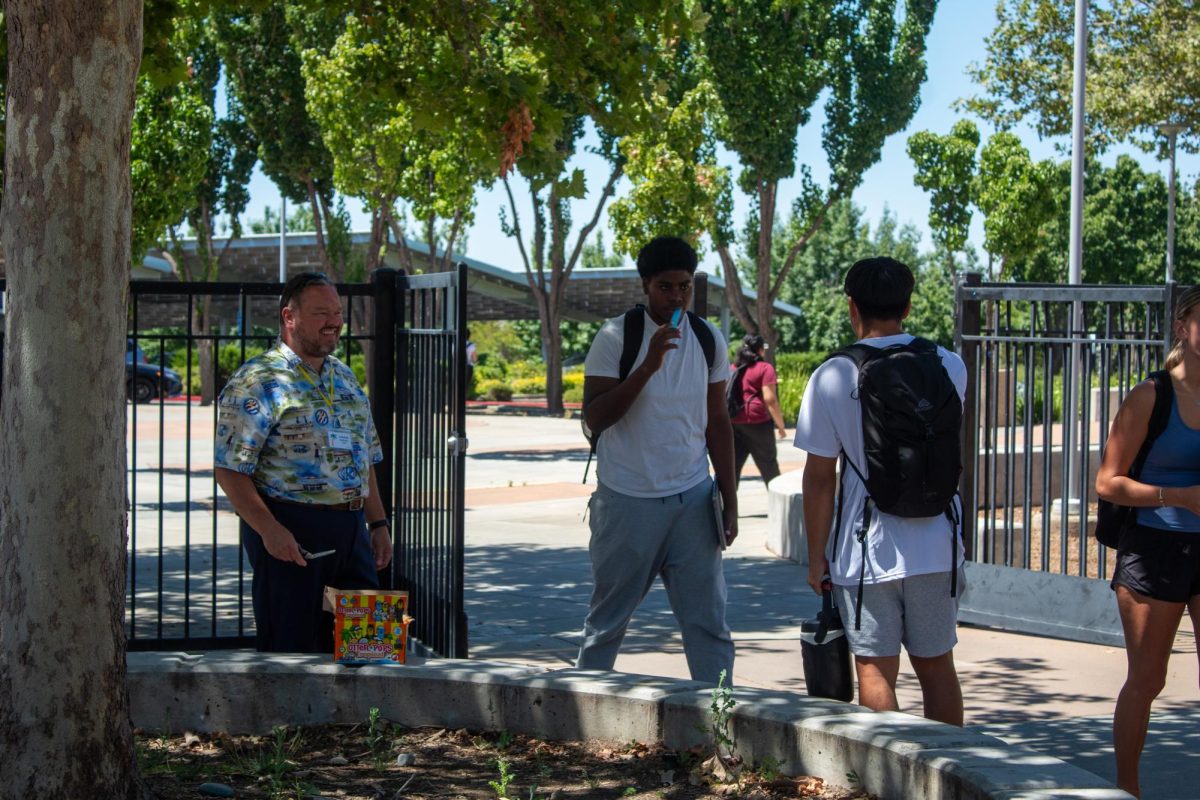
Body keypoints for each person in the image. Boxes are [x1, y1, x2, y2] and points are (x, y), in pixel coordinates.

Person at [792, 256, 966, 725]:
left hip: (865, 551)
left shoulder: (832, 376)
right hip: (937, 544)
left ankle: (894, 780)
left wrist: (815, 557)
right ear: (908, 305)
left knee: (874, 669)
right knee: (937, 668)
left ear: (852, 307)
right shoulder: (949, 365)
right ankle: (949, 782)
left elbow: (820, 476)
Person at [576, 235, 738, 685]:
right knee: (606, 624)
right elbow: (594, 419)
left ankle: (720, 729)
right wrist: (645, 366)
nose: (676, 297)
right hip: (627, 502)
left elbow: (718, 423)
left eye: (684, 286)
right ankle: (580, 722)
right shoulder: (616, 337)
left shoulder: (708, 339)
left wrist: (729, 498)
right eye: (665, 287)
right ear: (645, 285)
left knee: (709, 625)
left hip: (693, 500)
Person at [214, 271, 393, 653]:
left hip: (352, 531)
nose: (334, 322)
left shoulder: (344, 377)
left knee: (368, 652)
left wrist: (377, 524)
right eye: (320, 313)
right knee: (292, 655)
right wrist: (269, 531)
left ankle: (363, 715)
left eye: (338, 312)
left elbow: (364, 458)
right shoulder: (258, 381)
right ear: (288, 317)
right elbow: (229, 469)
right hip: (292, 533)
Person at [1096, 285, 1200, 798]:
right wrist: (1178, 495)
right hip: (1154, 552)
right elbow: (1107, 481)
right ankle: (1127, 788)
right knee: (1148, 679)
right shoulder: (1151, 395)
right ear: (1184, 327)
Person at [729, 334, 788, 486]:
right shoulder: (765, 368)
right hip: (757, 422)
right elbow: (770, 399)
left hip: (733, 421)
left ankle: (726, 507)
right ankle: (779, 507)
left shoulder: (733, 368)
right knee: (769, 466)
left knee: (732, 468)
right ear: (761, 350)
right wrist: (781, 426)